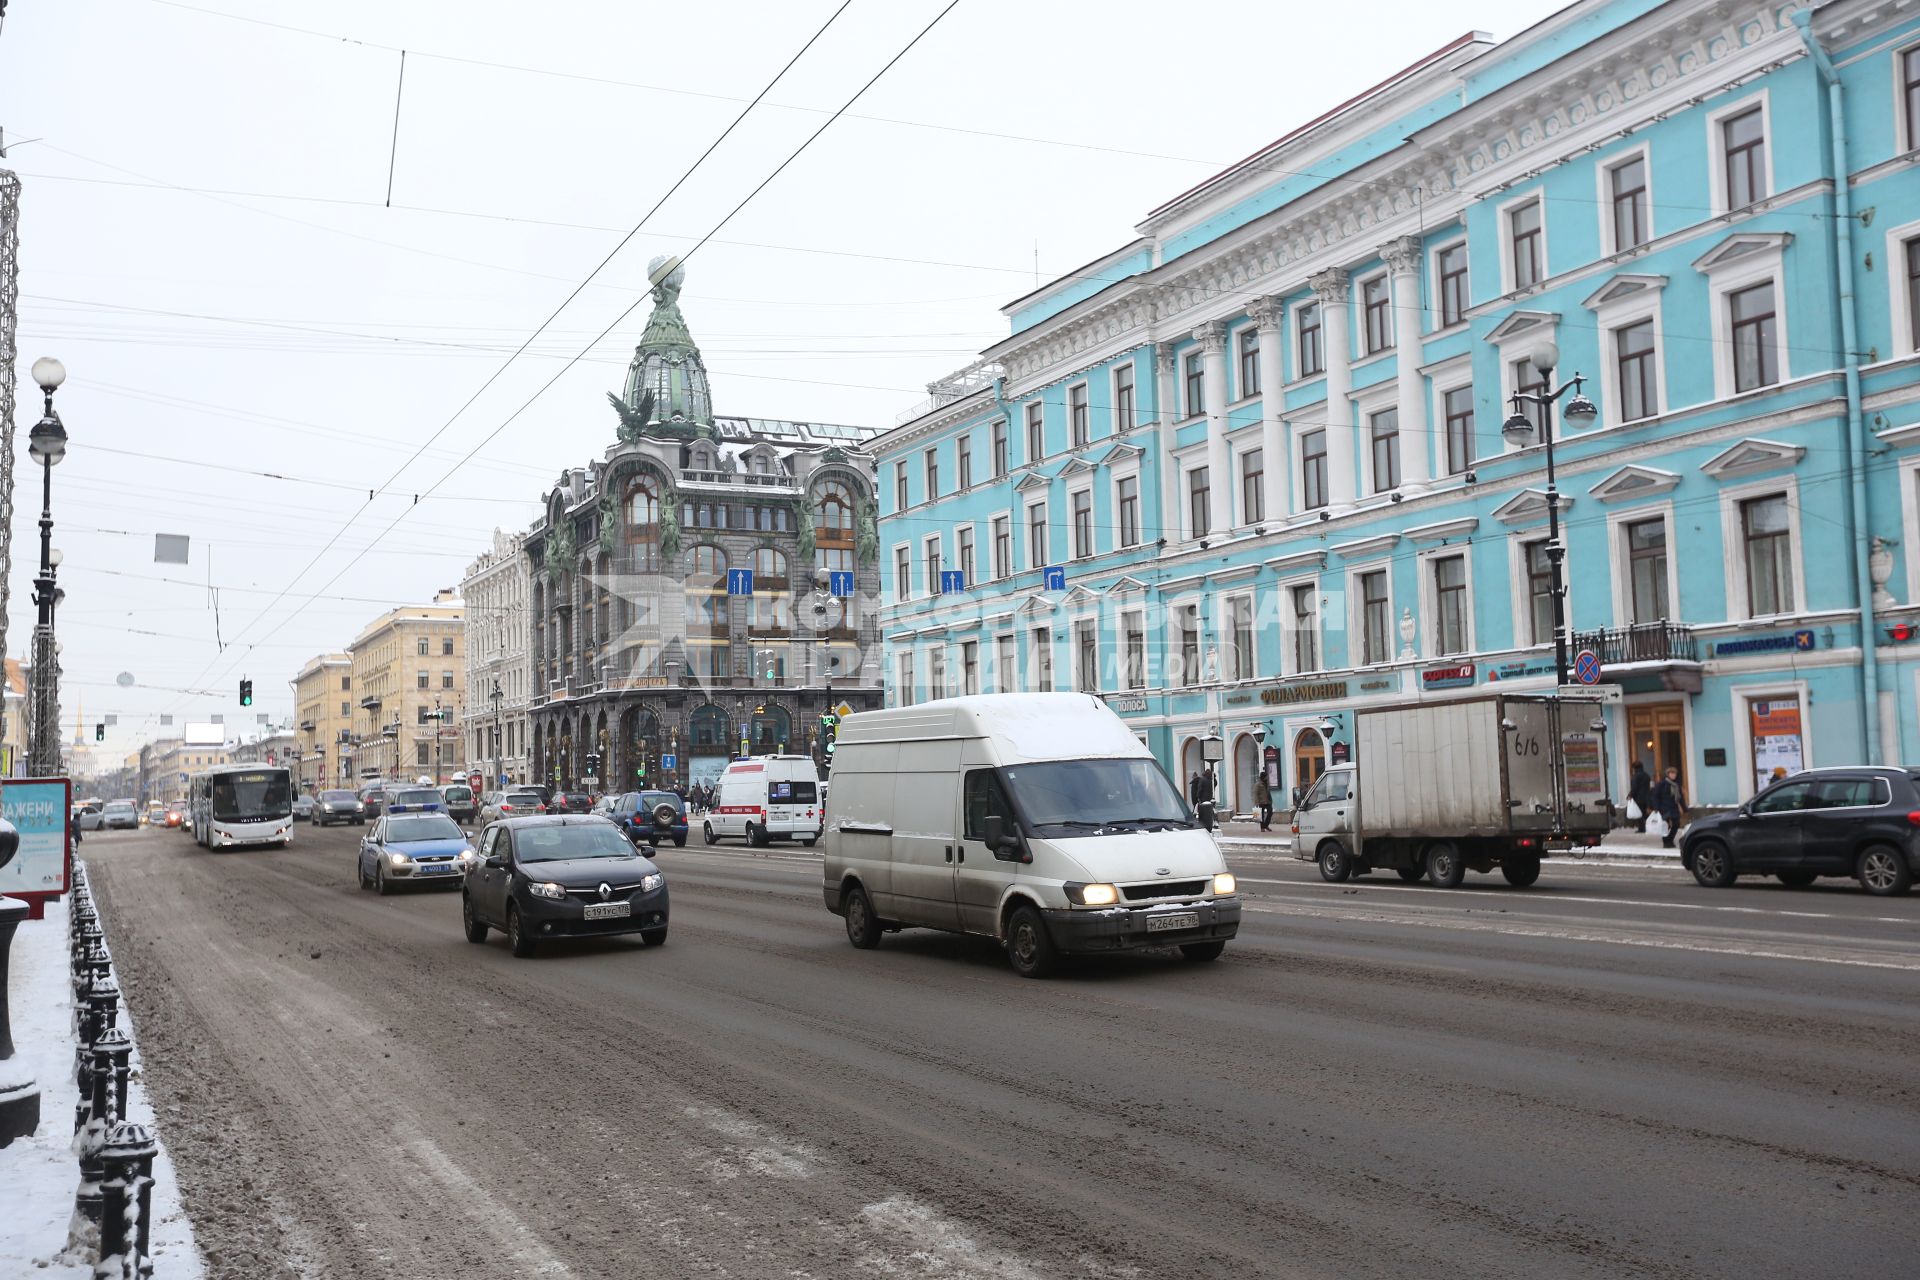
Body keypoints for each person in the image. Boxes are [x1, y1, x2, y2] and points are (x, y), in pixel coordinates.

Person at [1650, 765, 1686, 849]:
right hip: (1664, 808)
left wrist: (1684, 808)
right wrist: (1656, 807)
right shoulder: (1662, 784)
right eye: (1671, 773)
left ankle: (1670, 839)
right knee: (1665, 825)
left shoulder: (1676, 785)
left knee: (1676, 824)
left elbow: (1680, 798)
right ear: (1668, 774)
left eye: (1675, 773)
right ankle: (1666, 842)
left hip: (1673, 807)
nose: (1673, 775)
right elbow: (1655, 796)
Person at [1628, 761, 1653, 834]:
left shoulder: (1636, 776)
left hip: (1638, 798)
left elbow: (1634, 788)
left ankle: (1642, 828)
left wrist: (1630, 795)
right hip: (1647, 797)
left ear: (1634, 768)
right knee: (1645, 813)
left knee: (1639, 813)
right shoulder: (1647, 775)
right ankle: (1647, 826)